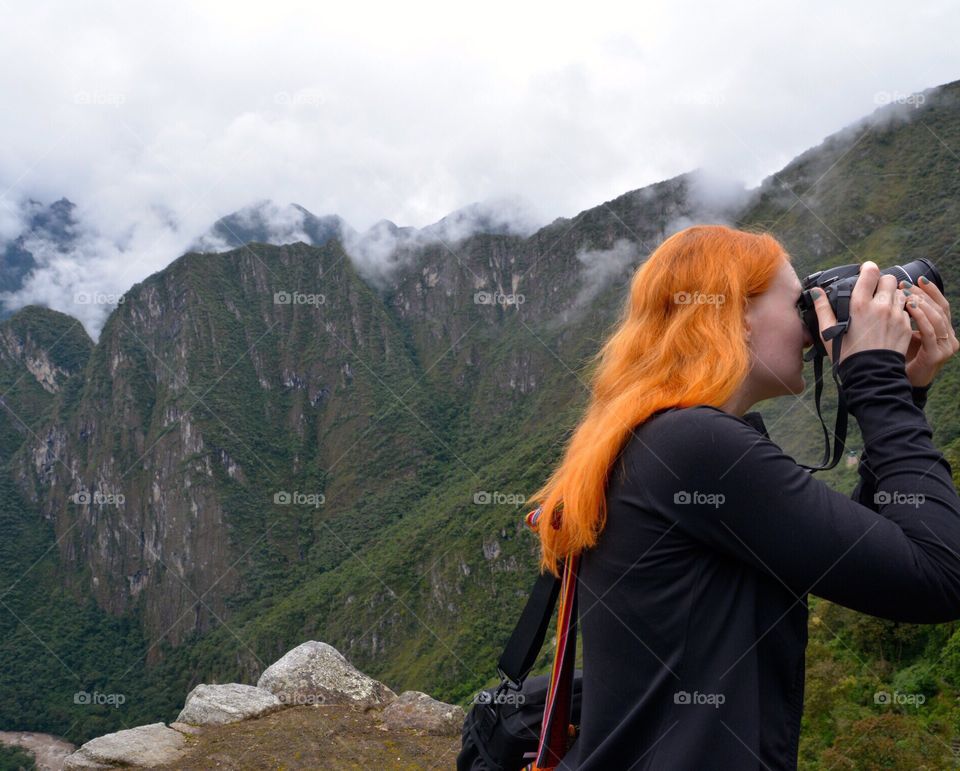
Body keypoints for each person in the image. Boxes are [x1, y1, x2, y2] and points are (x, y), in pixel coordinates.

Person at [528, 224, 960, 769]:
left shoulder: (662, 438)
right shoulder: (695, 446)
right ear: (731, 316)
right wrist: (877, 388)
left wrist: (902, 391)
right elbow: (942, 575)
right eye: (798, 302)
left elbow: (866, 556)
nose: (814, 324)